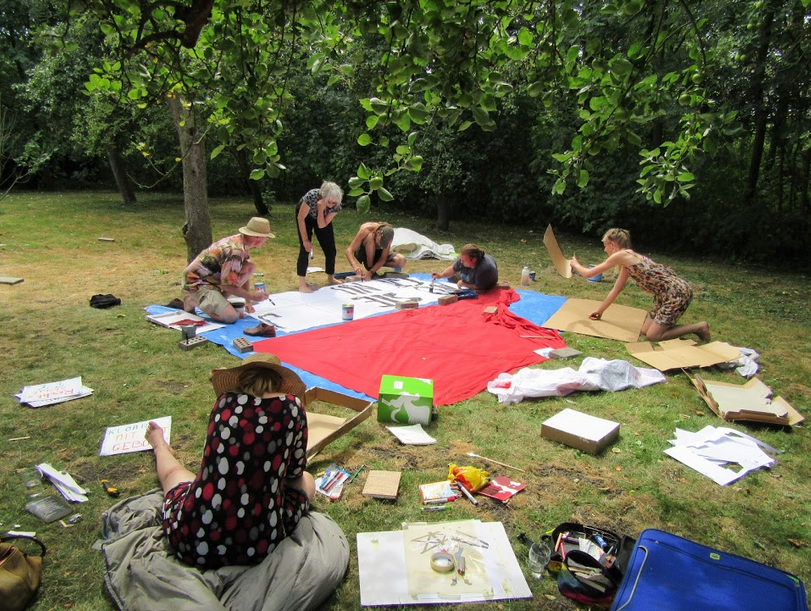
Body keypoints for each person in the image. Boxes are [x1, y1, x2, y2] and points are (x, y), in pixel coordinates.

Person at [144, 353, 316, 570]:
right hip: (258, 543)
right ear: (279, 381)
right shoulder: (292, 407)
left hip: (192, 537)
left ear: (242, 379)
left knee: (175, 475)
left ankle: (159, 444)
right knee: (307, 480)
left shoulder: (223, 402)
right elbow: (295, 473)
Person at [570, 228, 711, 342]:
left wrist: (575, 264)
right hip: (665, 294)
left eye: (605, 245)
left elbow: (589, 274)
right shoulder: (627, 259)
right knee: (644, 331)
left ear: (612, 244)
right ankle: (666, 327)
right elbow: (616, 289)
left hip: (676, 293)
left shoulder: (621, 256)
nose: (604, 249)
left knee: (653, 336)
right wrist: (600, 311)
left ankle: (699, 327)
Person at [181, 217, 273, 323]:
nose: (266, 240)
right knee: (230, 317)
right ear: (258, 237)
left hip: (212, 279)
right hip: (196, 283)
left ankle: (218, 303)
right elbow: (227, 286)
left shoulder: (242, 242)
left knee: (250, 267)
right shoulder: (236, 251)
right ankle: (192, 300)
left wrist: (248, 301)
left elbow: (238, 273)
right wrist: (253, 296)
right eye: (266, 237)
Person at [296, 181, 343, 292]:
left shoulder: (336, 206)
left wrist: (321, 209)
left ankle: (330, 277)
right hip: (305, 217)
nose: (331, 205)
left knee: (331, 249)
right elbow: (300, 218)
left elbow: (321, 225)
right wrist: (305, 240)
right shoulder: (312, 196)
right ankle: (302, 284)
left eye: (334, 203)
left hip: (322, 219)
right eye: (329, 202)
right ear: (323, 196)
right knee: (305, 249)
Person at [431, 243, 499, 291]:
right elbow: (453, 268)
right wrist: (441, 275)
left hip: (485, 282)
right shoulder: (464, 259)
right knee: (451, 277)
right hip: (472, 274)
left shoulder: (484, 269)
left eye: (463, 260)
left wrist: (465, 284)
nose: (461, 262)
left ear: (473, 260)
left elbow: (479, 287)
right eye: (461, 259)